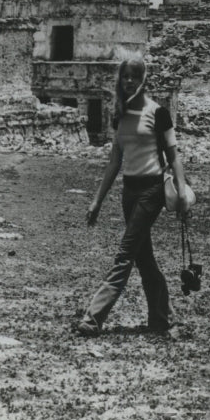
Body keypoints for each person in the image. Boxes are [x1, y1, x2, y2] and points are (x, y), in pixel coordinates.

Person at [75, 57, 189, 337]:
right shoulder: (120, 115)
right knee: (144, 258)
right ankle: (163, 319)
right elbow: (115, 162)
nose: (129, 81)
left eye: (134, 76)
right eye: (125, 76)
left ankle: (92, 318)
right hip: (129, 190)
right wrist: (97, 201)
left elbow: (173, 157)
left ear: (143, 80)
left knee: (125, 254)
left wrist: (183, 192)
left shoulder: (158, 113)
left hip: (152, 191)